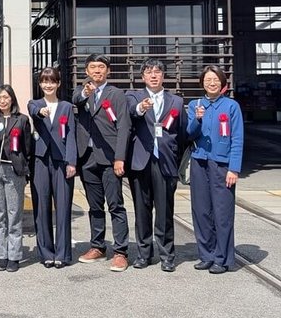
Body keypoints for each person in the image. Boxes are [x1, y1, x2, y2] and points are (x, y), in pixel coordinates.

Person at [72, 53, 131, 272]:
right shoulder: (82, 91)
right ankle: (97, 246)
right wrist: (86, 92)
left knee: (115, 205)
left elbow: (124, 126)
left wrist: (120, 157)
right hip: (87, 158)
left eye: (101, 67)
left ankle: (120, 251)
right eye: (93, 67)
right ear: (86, 71)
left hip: (109, 158)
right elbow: (76, 100)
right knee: (94, 206)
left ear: (108, 71)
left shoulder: (116, 94)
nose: (97, 71)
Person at [126, 59, 185, 272]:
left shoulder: (176, 101)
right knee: (142, 210)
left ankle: (167, 255)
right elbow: (131, 113)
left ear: (163, 76)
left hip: (165, 161)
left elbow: (183, 133)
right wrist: (141, 108)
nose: (153, 75)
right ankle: (143, 254)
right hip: (141, 161)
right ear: (143, 77)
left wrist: (175, 157)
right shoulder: (133, 96)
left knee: (165, 211)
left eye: (157, 72)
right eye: (149, 72)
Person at [186, 64, 244, 274]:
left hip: (223, 166)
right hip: (200, 163)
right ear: (202, 83)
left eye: (215, 80)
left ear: (222, 84)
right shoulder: (195, 105)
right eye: (208, 80)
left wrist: (234, 169)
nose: (211, 83)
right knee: (201, 211)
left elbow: (237, 139)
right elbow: (189, 134)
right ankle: (206, 255)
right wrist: (197, 119)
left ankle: (223, 258)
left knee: (222, 212)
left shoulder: (231, 106)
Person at [28, 67, 77, 269]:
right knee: (42, 207)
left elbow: (72, 135)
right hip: (40, 160)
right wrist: (41, 112)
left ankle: (63, 253)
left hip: (62, 161)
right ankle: (46, 252)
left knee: (64, 207)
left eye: (52, 81)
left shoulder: (66, 107)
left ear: (58, 84)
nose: (48, 85)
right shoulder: (35, 103)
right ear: (40, 84)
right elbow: (33, 112)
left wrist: (72, 162)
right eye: (44, 81)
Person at [0, 84, 30, 272]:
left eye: (6, 97)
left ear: (12, 99)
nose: (2, 101)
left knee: (14, 213)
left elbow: (27, 147)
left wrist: (25, 170)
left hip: (13, 169)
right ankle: (1, 254)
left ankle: (15, 255)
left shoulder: (22, 120)